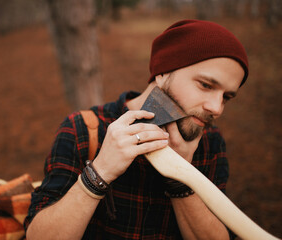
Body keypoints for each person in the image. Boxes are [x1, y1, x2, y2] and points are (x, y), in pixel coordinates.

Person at [24, 19, 248, 239]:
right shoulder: (82, 129)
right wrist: (99, 173)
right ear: (162, 73)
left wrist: (182, 175)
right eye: (206, 85)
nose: (216, 108)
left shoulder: (210, 142)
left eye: (226, 97)